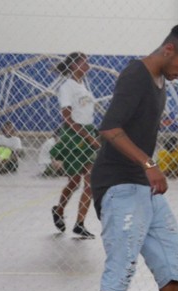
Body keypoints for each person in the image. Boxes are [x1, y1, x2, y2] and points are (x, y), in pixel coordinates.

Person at [89, 22, 178, 291]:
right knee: (122, 265)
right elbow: (110, 128)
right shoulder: (135, 75)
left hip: (143, 187)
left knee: (172, 256)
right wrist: (150, 164)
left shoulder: (160, 80)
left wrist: (147, 169)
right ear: (168, 50)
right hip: (118, 184)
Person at [49, 52, 100, 238]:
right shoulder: (67, 87)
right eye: (84, 62)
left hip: (87, 133)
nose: (88, 65)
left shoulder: (83, 86)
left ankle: (80, 222)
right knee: (74, 181)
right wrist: (87, 136)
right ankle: (59, 209)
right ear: (73, 65)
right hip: (75, 136)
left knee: (90, 182)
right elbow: (67, 118)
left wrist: (92, 134)